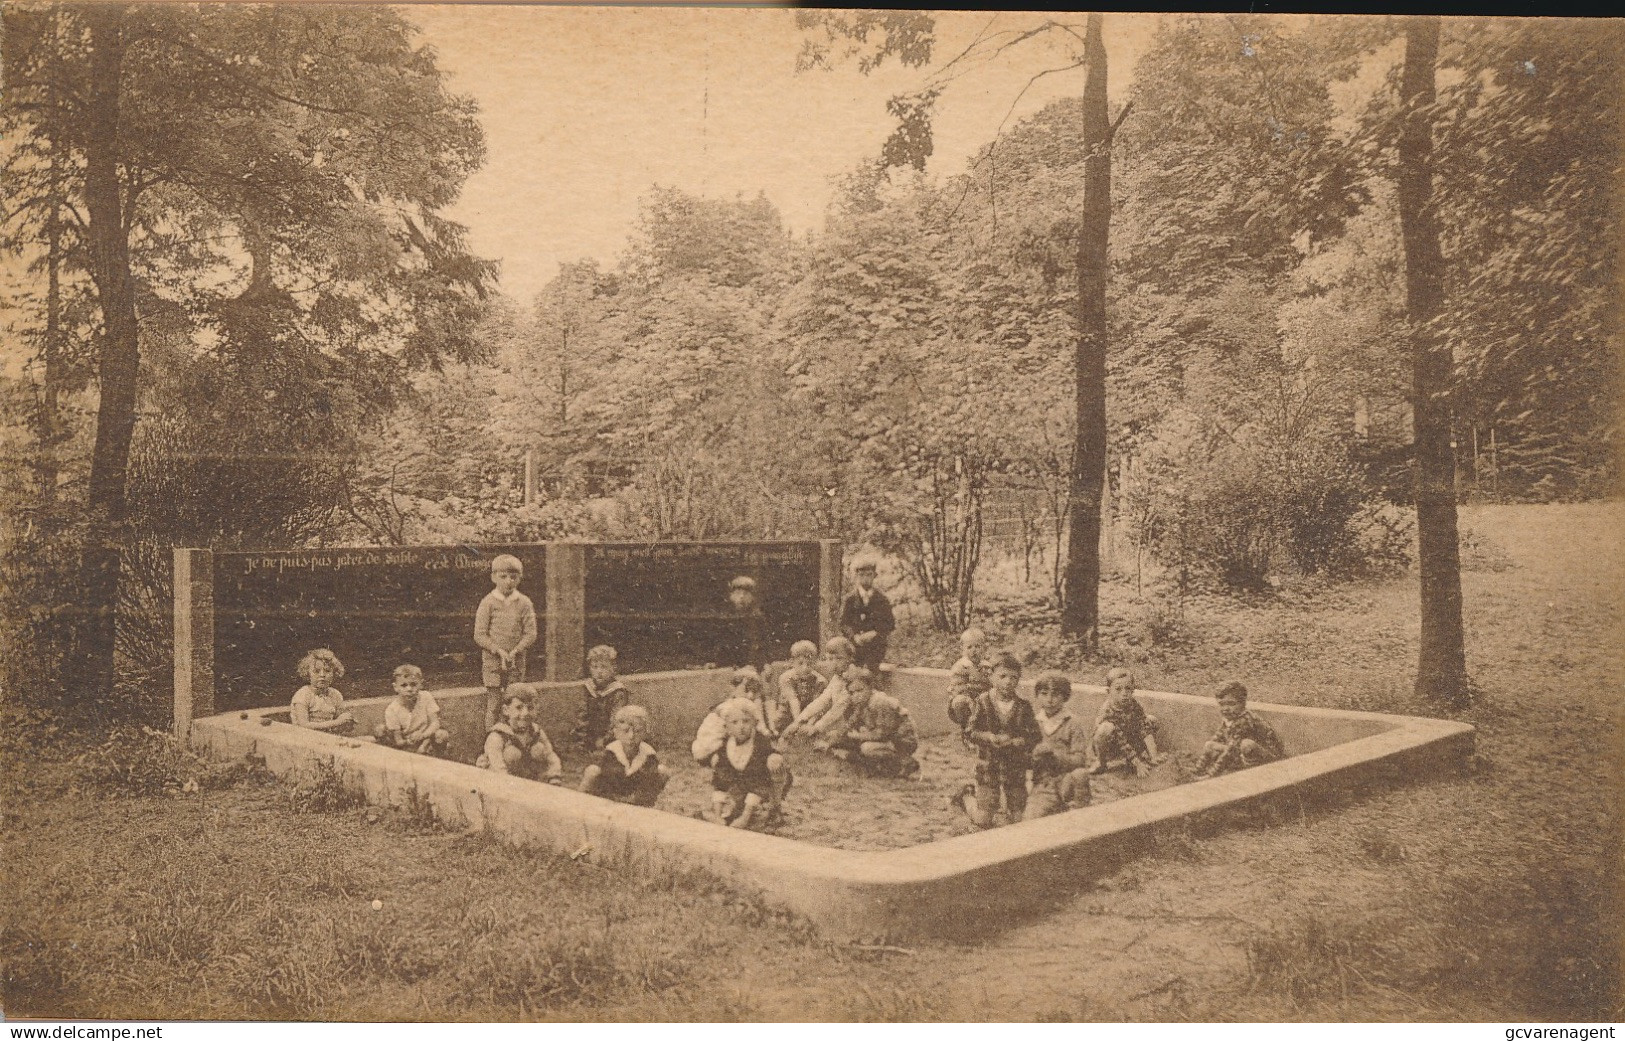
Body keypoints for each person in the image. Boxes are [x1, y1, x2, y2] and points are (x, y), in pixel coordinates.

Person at [952, 652, 1041, 828]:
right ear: (991, 676)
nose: (1008, 681)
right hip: (988, 766)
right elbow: (970, 731)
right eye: (1002, 676)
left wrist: (1019, 741)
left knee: (1018, 818)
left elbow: (1034, 736)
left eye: (1013, 677)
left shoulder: (1024, 707)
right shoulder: (983, 701)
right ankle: (966, 796)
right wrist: (988, 737)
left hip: (1015, 767)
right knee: (983, 819)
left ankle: (1009, 807)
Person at [817, 666, 920, 779]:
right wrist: (831, 741)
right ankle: (880, 765)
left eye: (860, 690)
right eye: (852, 693)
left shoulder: (879, 702)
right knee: (842, 738)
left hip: (901, 741)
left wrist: (858, 736)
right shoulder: (860, 704)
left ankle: (904, 761)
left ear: (870, 687)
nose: (856, 695)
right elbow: (849, 725)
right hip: (883, 736)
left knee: (867, 748)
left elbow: (882, 733)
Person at [474, 554, 538, 731]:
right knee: (494, 704)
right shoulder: (487, 602)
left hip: (515, 662)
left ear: (520, 577)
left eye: (513, 577)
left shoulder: (524, 603)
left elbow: (531, 633)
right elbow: (479, 635)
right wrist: (498, 651)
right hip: (493, 662)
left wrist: (516, 650)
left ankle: (514, 738)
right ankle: (491, 741)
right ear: (493, 577)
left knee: (515, 703)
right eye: (503, 577)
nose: (508, 581)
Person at [707, 698, 790, 829]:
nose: (741, 727)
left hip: (765, 784)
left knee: (775, 762)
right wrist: (717, 816)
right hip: (741, 785)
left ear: (753, 723)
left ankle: (774, 808)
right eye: (734, 722)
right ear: (727, 727)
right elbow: (720, 781)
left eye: (746, 721)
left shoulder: (759, 743)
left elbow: (758, 781)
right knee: (716, 760)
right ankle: (736, 808)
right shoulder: (726, 746)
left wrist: (745, 818)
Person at [1024, 671, 1093, 820]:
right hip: (1044, 781)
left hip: (1066, 779)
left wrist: (1056, 756)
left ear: (1064, 696)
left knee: (1080, 775)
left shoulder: (1072, 723)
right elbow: (1025, 758)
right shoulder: (1034, 723)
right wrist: (1035, 757)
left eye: (1055, 694)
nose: (1049, 699)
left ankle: (1077, 811)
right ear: (1037, 695)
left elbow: (1081, 759)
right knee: (1030, 820)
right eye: (1044, 693)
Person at [581, 704, 669, 807]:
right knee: (592, 771)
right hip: (607, 803)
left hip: (636, 804)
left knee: (662, 771)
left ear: (645, 733)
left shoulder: (649, 756)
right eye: (626, 731)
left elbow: (647, 787)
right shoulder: (608, 754)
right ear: (616, 732)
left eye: (638, 731)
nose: (631, 736)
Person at [1198, 681, 1286, 778]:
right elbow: (1217, 738)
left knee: (1246, 744)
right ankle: (1198, 770)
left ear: (1243, 703)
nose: (1225, 709)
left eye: (1231, 704)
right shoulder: (1230, 719)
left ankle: (1251, 775)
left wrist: (1212, 774)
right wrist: (1198, 767)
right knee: (1210, 744)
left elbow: (1231, 751)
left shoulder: (1245, 720)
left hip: (1270, 759)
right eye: (1222, 704)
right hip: (1241, 753)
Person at [1091, 667, 1167, 778]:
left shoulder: (1133, 704)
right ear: (1108, 691)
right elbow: (1120, 740)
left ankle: (1142, 755)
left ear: (1132, 690)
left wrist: (1154, 755)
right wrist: (1137, 764)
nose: (1124, 693)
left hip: (1128, 741)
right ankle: (1102, 763)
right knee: (1105, 729)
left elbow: (1144, 726)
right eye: (1118, 689)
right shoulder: (1107, 711)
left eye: (1128, 689)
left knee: (1152, 720)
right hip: (1112, 746)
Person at [476, 687, 563, 783]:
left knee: (538, 748)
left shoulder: (535, 732)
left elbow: (551, 756)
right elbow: (498, 768)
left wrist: (554, 775)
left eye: (530, 708)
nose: (525, 713)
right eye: (519, 707)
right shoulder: (497, 736)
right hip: (502, 784)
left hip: (532, 783)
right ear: (506, 710)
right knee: (512, 753)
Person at [780, 636, 856, 741]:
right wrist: (798, 721)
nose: (833, 663)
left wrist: (816, 727)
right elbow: (821, 701)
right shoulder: (836, 678)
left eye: (839, 658)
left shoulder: (853, 678)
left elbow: (838, 708)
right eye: (830, 659)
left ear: (850, 659)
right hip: (841, 718)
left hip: (854, 721)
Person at [376, 663, 450, 755]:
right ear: (396, 687)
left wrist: (422, 736)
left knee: (441, 734)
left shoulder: (426, 697)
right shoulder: (392, 709)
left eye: (413, 684)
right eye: (404, 685)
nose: (409, 689)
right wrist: (410, 740)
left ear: (421, 684)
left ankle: (439, 761)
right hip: (407, 744)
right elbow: (398, 741)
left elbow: (435, 723)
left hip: (426, 739)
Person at [839, 557, 894, 675]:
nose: (865, 579)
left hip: (875, 645)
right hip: (855, 645)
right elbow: (844, 623)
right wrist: (854, 636)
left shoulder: (882, 599)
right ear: (856, 576)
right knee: (853, 672)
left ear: (874, 575)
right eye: (861, 575)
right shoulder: (850, 599)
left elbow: (889, 623)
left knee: (871, 672)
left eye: (869, 575)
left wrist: (875, 632)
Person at [573, 644, 633, 750]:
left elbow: (616, 719)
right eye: (595, 667)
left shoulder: (617, 691)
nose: (599, 671)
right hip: (591, 732)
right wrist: (583, 736)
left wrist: (606, 738)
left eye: (604, 667)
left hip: (610, 732)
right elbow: (583, 714)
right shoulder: (589, 688)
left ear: (613, 668)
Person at [290, 648, 357, 735]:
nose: (322, 675)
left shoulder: (335, 695)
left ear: (334, 673)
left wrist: (347, 720)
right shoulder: (303, 694)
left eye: (327, 671)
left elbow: (340, 718)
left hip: (328, 738)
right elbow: (303, 725)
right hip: (305, 739)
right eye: (316, 671)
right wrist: (337, 722)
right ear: (308, 673)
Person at [773, 640, 826, 735]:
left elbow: (817, 705)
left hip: (809, 714)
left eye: (809, 664)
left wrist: (809, 725)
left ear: (815, 663)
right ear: (792, 662)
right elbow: (793, 700)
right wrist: (798, 723)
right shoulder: (786, 678)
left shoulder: (820, 681)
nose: (805, 668)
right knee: (778, 722)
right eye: (800, 663)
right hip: (787, 713)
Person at [946, 627, 992, 734]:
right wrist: (970, 700)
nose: (974, 650)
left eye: (977, 646)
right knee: (960, 702)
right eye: (969, 647)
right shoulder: (961, 666)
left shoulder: (986, 666)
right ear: (963, 649)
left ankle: (986, 730)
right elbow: (958, 687)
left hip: (982, 700)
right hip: (966, 700)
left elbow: (991, 685)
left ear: (984, 648)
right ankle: (966, 729)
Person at [725, 575, 766, 672]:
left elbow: (758, 643)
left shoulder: (756, 617)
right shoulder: (729, 617)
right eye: (738, 593)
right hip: (731, 665)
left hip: (752, 664)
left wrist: (753, 663)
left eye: (746, 593)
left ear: (752, 596)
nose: (742, 597)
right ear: (732, 595)